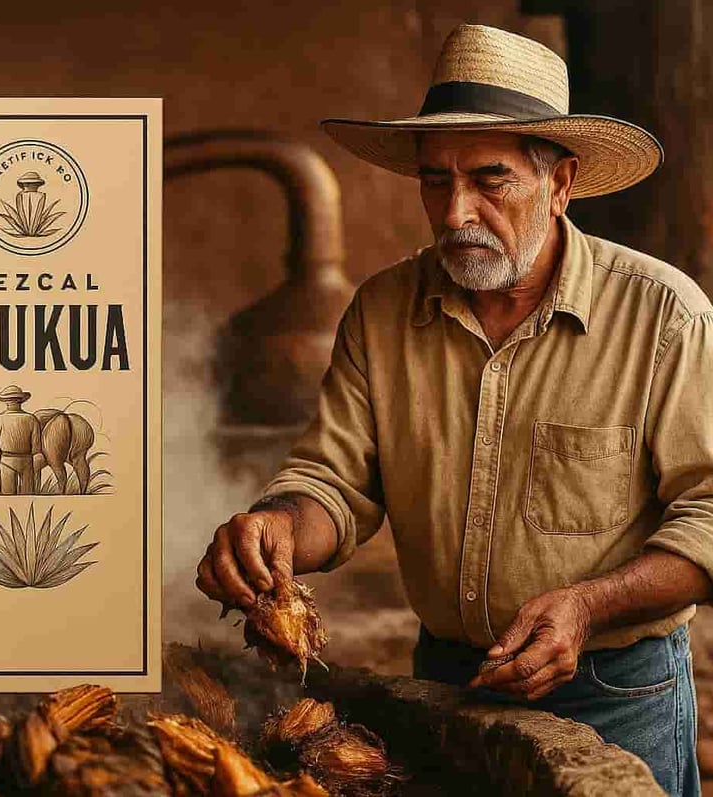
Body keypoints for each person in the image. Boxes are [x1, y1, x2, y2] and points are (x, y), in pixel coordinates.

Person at [196, 24, 713, 796]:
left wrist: (586, 605)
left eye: (490, 178)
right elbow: (334, 482)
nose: (455, 210)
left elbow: (708, 513)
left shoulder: (663, 316)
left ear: (561, 182)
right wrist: (277, 527)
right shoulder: (380, 312)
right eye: (435, 180)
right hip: (445, 679)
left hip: (617, 690)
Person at [0, 385, 43, 495]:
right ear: (21, 401)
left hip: (7, 461)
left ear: (6, 402)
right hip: (26, 461)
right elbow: (37, 447)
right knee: (28, 496)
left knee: (8, 497)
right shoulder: (31, 419)